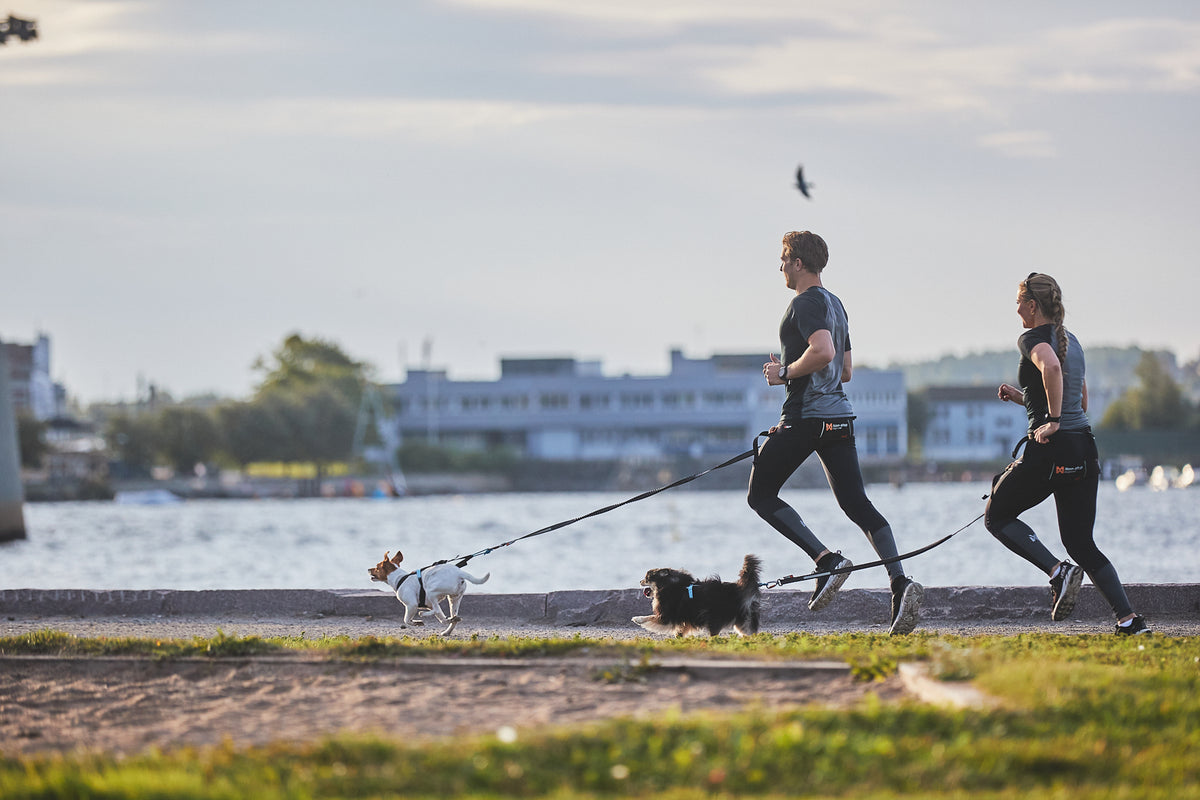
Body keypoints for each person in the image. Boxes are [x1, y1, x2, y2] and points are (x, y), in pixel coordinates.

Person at [747, 230, 923, 635]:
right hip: (838, 419)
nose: (779, 268)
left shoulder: (804, 303)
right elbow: (844, 371)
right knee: (857, 503)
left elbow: (824, 352)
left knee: (760, 495)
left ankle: (826, 561)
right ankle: (900, 582)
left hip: (807, 418)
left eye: (783, 260)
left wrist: (784, 373)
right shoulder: (836, 305)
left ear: (797, 263)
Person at [985, 272, 1149, 635]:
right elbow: (1082, 400)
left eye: (1018, 303)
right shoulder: (1072, 341)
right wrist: (1022, 397)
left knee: (997, 515)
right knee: (1080, 541)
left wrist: (1053, 421)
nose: (1016, 310)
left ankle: (1057, 571)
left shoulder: (1032, 338)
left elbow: (1052, 368)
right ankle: (1129, 620)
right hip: (1083, 448)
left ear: (1032, 305)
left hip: (1050, 449)